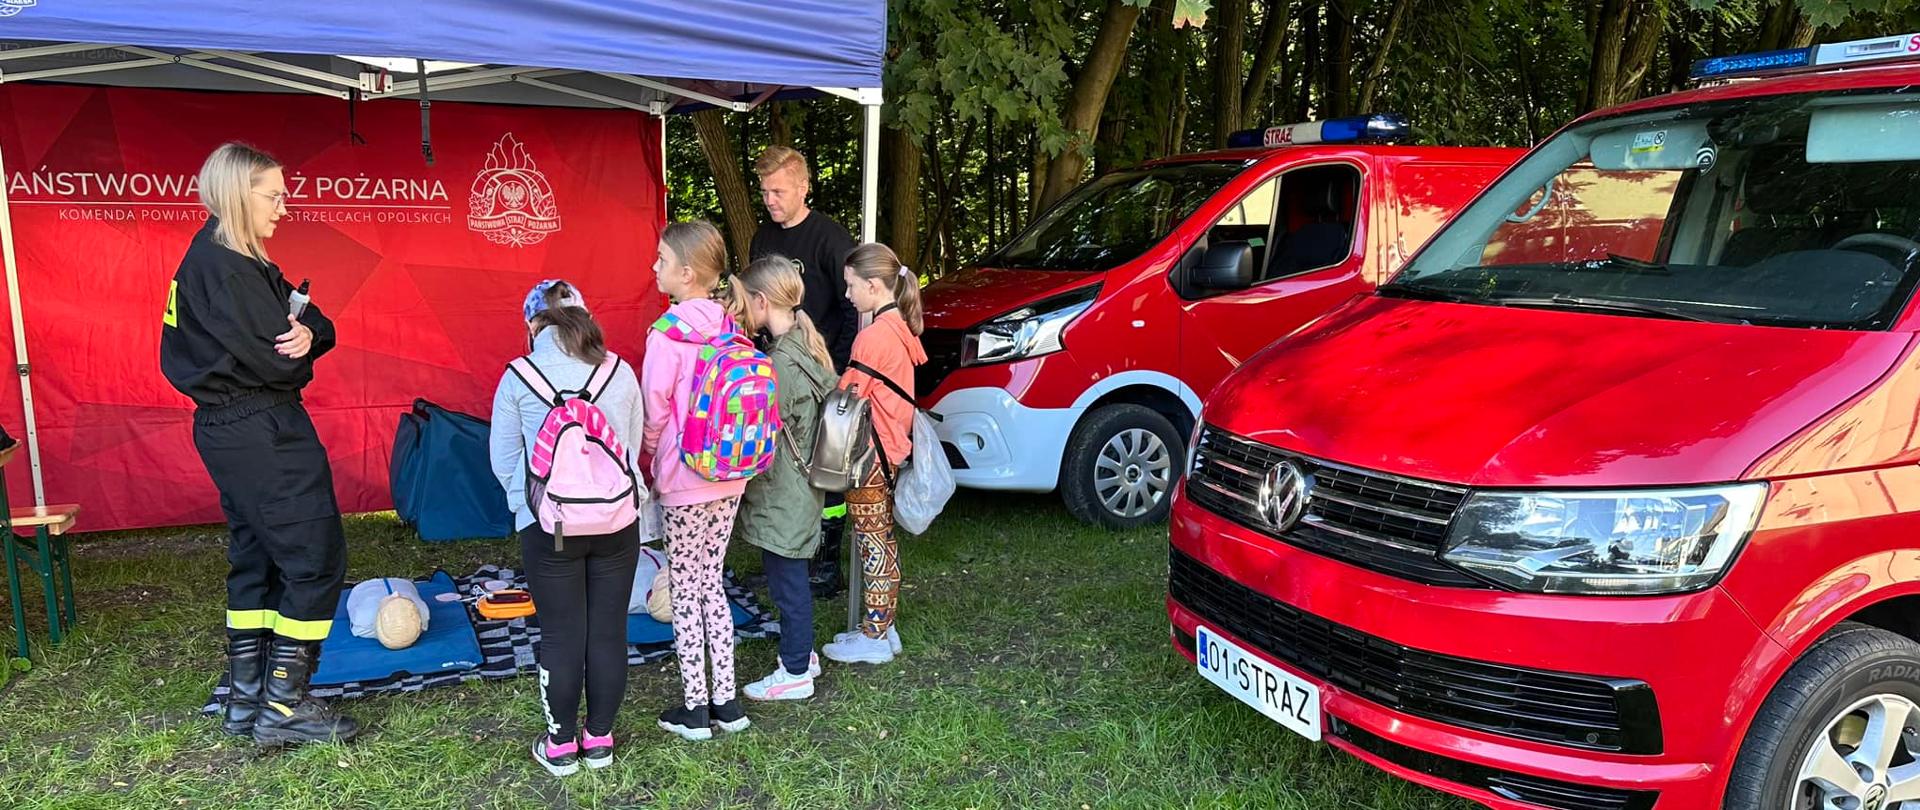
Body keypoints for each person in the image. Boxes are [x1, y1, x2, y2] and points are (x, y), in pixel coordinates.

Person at [160, 142, 356, 746]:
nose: (283, 206)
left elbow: (312, 322)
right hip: (260, 426)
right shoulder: (227, 269)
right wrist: (301, 349)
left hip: (235, 426)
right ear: (236, 194)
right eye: (273, 195)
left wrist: (308, 333)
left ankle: (248, 700)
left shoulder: (235, 257)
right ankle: (285, 707)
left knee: (259, 555)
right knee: (313, 557)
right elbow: (281, 368)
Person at [489, 280, 647, 776]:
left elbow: (503, 459)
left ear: (532, 324)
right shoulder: (619, 371)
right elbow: (632, 444)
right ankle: (599, 739)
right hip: (618, 523)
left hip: (549, 525)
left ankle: (560, 744)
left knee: (561, 634)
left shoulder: (519, 375)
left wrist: (529, 507)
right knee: (608, 631)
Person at [644, 221, 752, 740]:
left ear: (686, 274)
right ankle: (728, 703)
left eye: (661, 260)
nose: (654, 268)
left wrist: (647, 461)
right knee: (712, 580)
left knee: (685, 588)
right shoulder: (732, 328)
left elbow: (654, 412)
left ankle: (695, 708)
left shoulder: (666, 335)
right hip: (732, 474)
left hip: (685, 478)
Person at [749, 146, 859, 601]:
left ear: (803, 186)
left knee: (824, 470)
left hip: (822, 369)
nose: (771, 199)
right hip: (777, 368)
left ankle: (826, 561)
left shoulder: (830, 239)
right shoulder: (761, 238)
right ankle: (785, 555)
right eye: (765, 191)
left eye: (778, 190)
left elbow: (853, 307)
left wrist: (844, 366)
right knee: (783, 468)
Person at [732, 255, 835, 701]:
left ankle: (795, 671)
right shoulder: (805, 345)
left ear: (760, 300)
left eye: (742, 302)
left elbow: (762, 431)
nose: (738, 311)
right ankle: (803, 652)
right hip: (803, 485)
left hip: (785, 489)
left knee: (787, 580)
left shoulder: (778, 365)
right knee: (790, 573)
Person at [820, 244, 927, 666]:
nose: (847, 296)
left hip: (870, 456)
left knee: (873, 543)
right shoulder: (899, 325)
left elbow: (848, 394)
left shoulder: (874, 336)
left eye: (851, 286)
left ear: (873, 284)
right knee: (879, 538)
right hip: (891, 449)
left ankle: (876, 634)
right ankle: (882, 626)